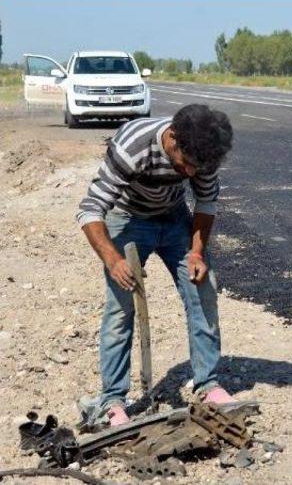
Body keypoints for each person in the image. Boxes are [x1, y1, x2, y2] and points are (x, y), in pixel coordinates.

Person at [77, 104, 234, 426]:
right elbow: (90, 210)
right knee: (121, 309)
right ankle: (113, 400)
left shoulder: (203, 150)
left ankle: (207, 383)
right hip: (128, 217)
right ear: (172, 139)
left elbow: (205, 202)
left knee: (202, 290)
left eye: (198, 167)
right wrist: (114, 259)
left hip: (175, 219)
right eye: (186, 164)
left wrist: (196, 253)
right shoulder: (132, 148)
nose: (191, 173)